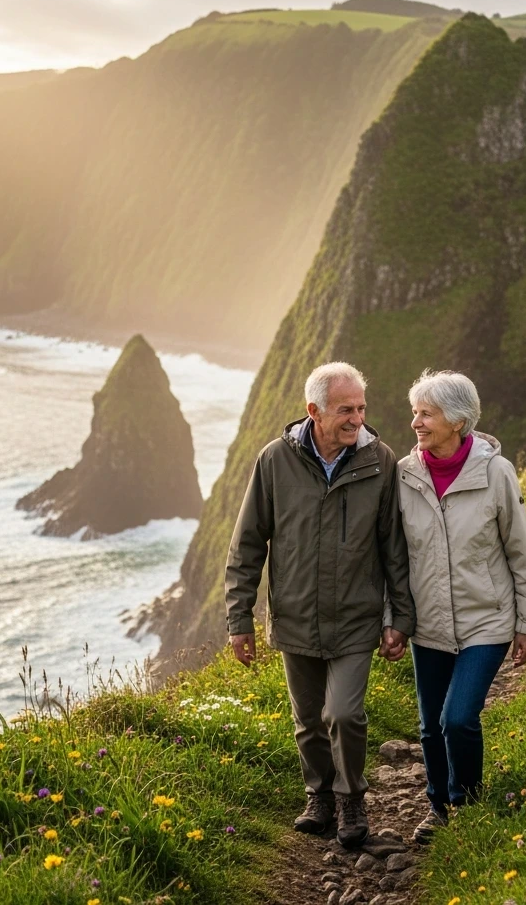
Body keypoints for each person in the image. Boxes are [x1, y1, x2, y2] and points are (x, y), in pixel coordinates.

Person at [224, 362, 414, 849]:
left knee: (344, 714)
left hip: (356, 619)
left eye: (362, 408)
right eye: (346, 410)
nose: (358, 419)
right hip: (295, 618)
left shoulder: (380, 461)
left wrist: (400, 619)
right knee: (308, 721)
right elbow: (248, 544)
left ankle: (352, 798)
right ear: (314, 411)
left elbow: (394, 546)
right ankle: (320, 797)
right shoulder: (274, 461)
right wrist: (238, 619)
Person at [391, 369, 526, 844]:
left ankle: (467, 802)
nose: (416, 422)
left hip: (488, 622)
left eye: (427, 414)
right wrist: (392, 620)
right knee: (429, 726)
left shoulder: (495, 473)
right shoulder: (403, 475)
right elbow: (392, 558)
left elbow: (523, 550)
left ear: (457, 421)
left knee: (457, 718)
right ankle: (438, 806)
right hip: (429, 624)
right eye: (415, 412)